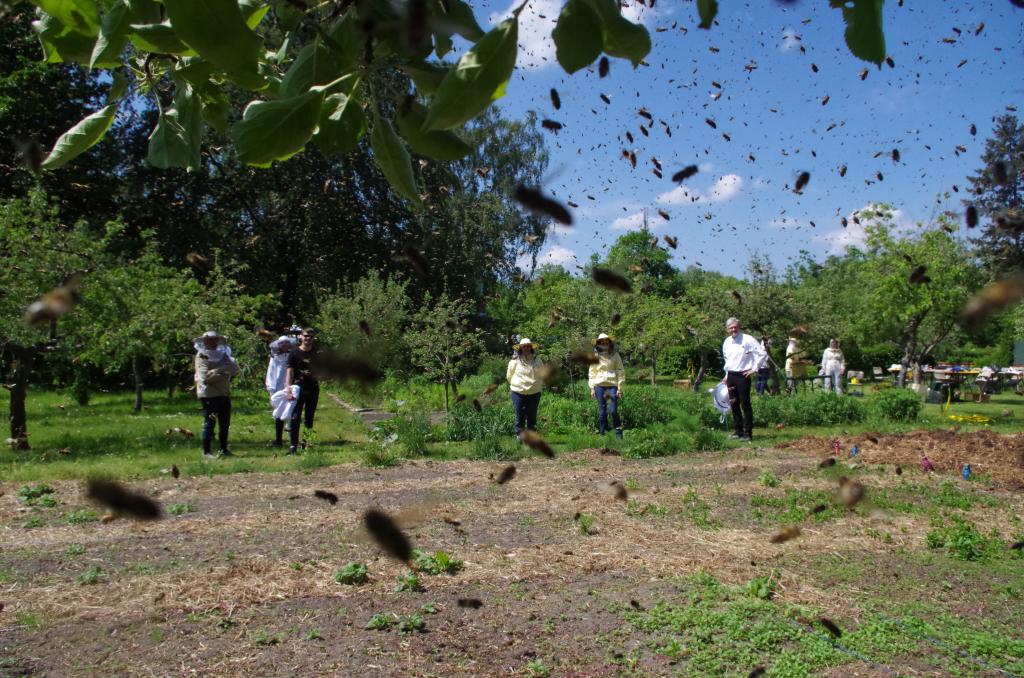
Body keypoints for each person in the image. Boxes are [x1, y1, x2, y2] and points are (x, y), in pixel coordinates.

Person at [193, 331, 239, 459]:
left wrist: (217, 371)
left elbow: (234, 369)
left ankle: (224, 449)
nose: (213, 342)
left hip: (223, 393)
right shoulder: (202, 356)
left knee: (224, 423)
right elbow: (205, 378)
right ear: (205, 341)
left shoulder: (223, 354)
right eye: (210, 340)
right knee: (210, 422)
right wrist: (224, 372)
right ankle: (206, 451)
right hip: (209, 395)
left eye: (215, 339)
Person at [721, 317, 767, 441]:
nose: (733, 329)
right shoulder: (726, 342)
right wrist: (726, 376)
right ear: (727, 329)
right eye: (731, 328)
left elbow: (762, 354)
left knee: (745, 404)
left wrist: (754, 368)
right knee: (734, 404)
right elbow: (728, 361)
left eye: (735, 327)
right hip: (731, 376)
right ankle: (738, 431)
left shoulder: (748, 339)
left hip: (743, 375)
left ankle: (748, 433)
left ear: (739, 327)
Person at [285, 328, 320, 455]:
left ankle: (306, 444)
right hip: (298, 388)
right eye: (306, 336)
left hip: (313, 388)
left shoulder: (317, 353)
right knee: (295, 417)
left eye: (311, 336)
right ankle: (293, 445)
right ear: (301, 337)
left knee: (309, 418)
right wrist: (288, 389)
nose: (308, 338)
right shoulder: (294, 352)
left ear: (313, 338)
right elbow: (289, 371)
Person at [588, 333, 625, 438]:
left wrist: (619, 387)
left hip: (611, 387)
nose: (604, 343)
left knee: (613, 411)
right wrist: (592, 388)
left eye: (606, 341)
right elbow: (592, 373)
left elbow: (620, 371)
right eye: (602, 341)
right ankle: (603, 434)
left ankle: (619, 434)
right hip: (599, 387)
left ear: (609, 343)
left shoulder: (615, 355)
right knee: (602, 413)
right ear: (598, 344)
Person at [506, 338, 544, 435]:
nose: (526, 348)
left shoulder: (538, 361)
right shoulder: (514, 361)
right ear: (520, 348)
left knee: (532, 416)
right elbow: (509, 376)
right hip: (518, 393)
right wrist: (518, 385)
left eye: (528, 346)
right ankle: (520, 436)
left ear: (531, 348)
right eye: (524, 346)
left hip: (534, 393)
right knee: (520, 415)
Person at [265, 336, 293, 447]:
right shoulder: (274, 358)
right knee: (278, 414)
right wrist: (271, 390)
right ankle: (278, 440)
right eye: (282, 343)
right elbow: (270, 375)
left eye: (287, 343)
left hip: (290, 388)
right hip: (277, 389)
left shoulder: (292, 356)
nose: (285, 345)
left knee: (291, 414)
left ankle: (293, 441)